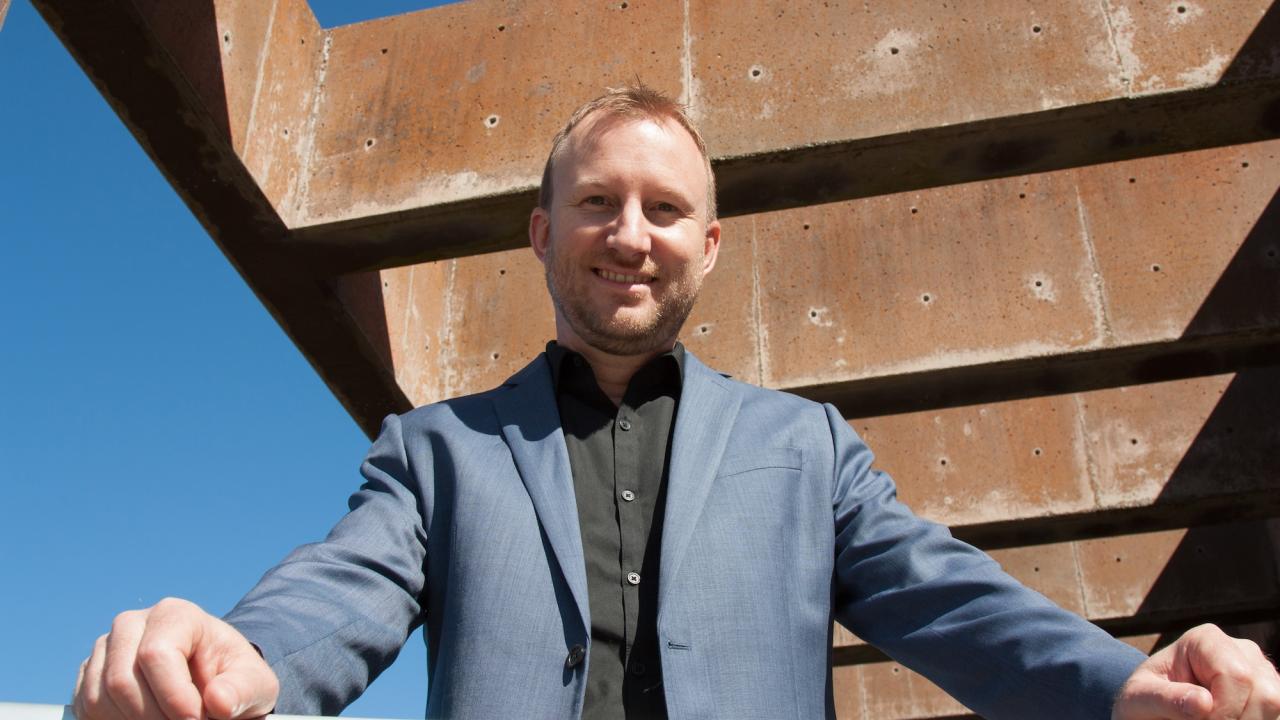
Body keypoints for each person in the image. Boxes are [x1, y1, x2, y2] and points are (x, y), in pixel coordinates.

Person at [73, 86, 1279, 720]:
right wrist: (236, 659)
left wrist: (1122, 686)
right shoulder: (432, 451)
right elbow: (349, 585)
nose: (627, 235)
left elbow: (947, 599)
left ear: (707, 244)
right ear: (543, 235)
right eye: (596, 203)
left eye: (661, 209)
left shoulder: (805, 449)